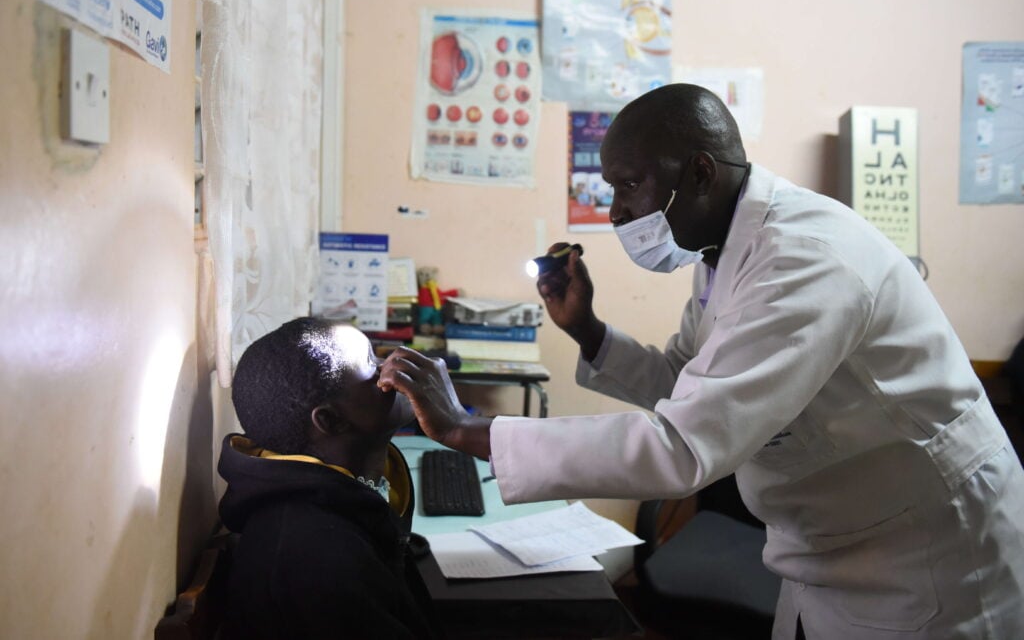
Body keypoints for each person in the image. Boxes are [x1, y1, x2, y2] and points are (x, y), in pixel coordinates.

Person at [378, 84, 1024, 638]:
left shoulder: (805, 260)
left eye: (629, 186)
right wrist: (589, 331)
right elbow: (685, 385)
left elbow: (682, 445)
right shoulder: (722, 253)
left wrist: (469, 430)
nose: (617, 212)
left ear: (701, 173)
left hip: (927, 555)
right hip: (830, 544)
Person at [218, 317, 440, 639]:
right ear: (330, 420)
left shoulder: (346, 497)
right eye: (370, 364)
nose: (390, 369)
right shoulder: (316, 563)